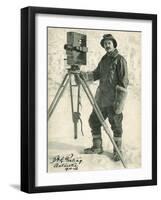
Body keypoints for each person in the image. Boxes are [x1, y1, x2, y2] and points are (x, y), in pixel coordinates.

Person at [82, 34, 129, 161]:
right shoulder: (103, 59)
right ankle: (97, 147)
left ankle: (117, 151)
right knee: (94, 121)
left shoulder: (120, 60)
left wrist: (119, 102)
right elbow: (97, 74)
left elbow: (124, 82)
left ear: (114, 44)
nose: (107, 45)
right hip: (101, 99)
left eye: (109, 43)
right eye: (105, 43)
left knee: (116, 126)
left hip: (113, 100)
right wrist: (84, 76)